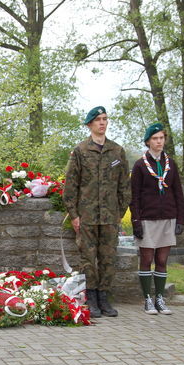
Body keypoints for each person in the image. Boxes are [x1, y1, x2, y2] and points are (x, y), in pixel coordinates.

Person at [63, 106, 131, 318]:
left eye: (105, 119)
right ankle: (91, 298)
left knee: (108, 258)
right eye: (98, 120)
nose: (102, 123)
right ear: (89, 124)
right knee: (88, 260)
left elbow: (124, 186)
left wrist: (119, 212)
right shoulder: (81, 151)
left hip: (110, 216)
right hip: (88, 216)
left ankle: (104, 298)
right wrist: (74, 215)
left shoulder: (117, 151)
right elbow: (71, 186)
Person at [130, 122, 184, 315]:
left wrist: (180, 220)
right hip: (147, 218)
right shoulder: (140, 165)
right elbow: (134, 196)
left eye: (161, 138)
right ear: (148, 141)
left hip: (167, 217)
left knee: (162, 259)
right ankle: (147, 299)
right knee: (147, 258)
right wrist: (135, 221)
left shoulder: (171, 164)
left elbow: (178, 193)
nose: (159, 141)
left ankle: (159, 298)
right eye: (155, 138)